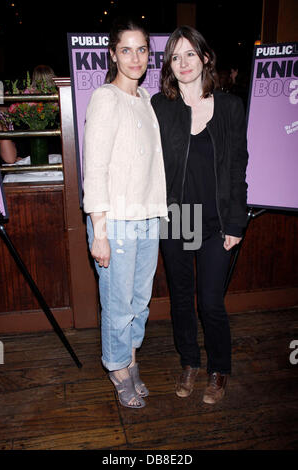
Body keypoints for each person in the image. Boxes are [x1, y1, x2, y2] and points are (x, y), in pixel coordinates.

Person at [151, 26, 248, 404]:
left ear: (205, 57)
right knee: (180, 299)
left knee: (210, 301)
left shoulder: (229, 107)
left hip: (215, 220)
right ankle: (189, 362)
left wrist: (235, 222)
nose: (183, 63)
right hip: (177, 217)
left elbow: (238, 166)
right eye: (175, 57)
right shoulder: (161, 106)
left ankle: (219, 369)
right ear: (169, 66)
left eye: (190, 54)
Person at [83, 17, 167, 408]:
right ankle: (118, 368)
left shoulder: (147, 99)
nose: (135, 57)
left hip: (147, 217)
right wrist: (98, 230)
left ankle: (131, 359)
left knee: (139, 301)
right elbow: (95, 166)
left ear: (149, 54)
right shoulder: (106, 97)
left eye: (142, 49)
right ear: (114, 54)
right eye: (126, 49)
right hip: (115, 221)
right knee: (117, 303)